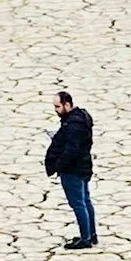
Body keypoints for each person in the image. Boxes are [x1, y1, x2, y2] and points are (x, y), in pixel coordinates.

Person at [44, 92, 97, 250]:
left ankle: (85, 239)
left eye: (58, 106)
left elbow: (71, 150)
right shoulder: (81, 118)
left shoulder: (73, 125)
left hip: (73, 169)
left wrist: (58, 165)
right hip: (83, 166)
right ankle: (90, 234)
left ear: (67, 105)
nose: (55, 110)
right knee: (85, 201)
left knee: (78, 203)